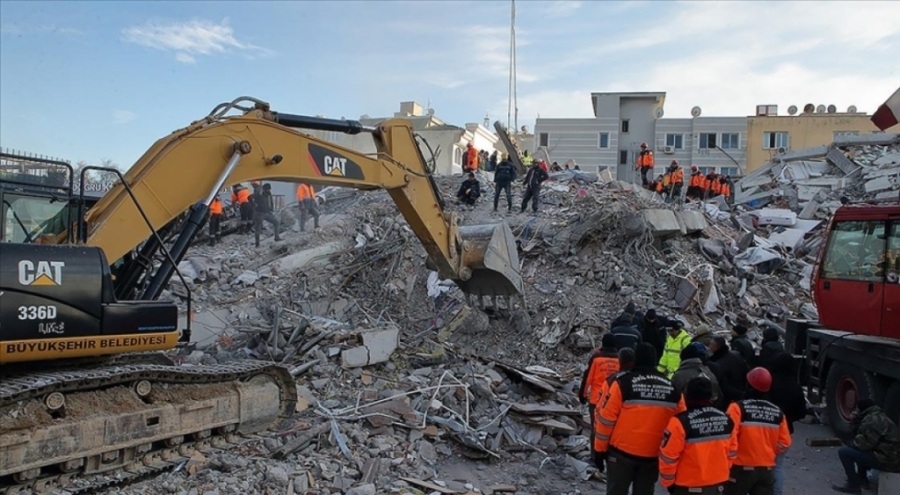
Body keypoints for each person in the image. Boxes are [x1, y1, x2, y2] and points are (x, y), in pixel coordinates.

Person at [594, 343, 685, 495]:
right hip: (652, 457)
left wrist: (599, 449)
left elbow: (606, 420)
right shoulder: (673, 388)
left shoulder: (623, 383)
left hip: (621, 454)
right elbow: (681, 426)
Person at [659, 376, 736, 495]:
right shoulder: (727, 420)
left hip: (688, 486)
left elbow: (668, 457)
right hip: (717, 485)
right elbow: (732, 453)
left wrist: (668, 483)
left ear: (687, 397)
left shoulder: (680, 422)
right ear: (711, 398)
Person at [725, 367, 792, 495]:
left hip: (741, 469)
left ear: (748, 385)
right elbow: (785, 443)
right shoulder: (777, 412)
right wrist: (765, 450)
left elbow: (728, 437)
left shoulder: (737, 408)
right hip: (766, 470)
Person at [832, 398, 900, 494]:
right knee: (860, 451)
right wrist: (855, 421)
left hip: (887, 461)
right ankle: (862, 479)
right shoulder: (878, 416)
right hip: (890, 457)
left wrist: (849, 443)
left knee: (844, 452)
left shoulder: (872, 420)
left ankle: (854, 485)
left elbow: (863, 444)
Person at [767, 352, 808, 495]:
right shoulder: (795, 387)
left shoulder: (769, 382)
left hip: (764, 431)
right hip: (785, 432)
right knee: (778, 467)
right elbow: (801, 413)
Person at [580, 333, 620, 444]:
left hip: (596, 399)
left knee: (596, 428)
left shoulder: (596, 358)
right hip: (613, 400)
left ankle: (594, 455)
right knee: (612, 429)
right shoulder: (619, 359)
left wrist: (582, 395)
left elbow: (588, 379)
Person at [709, 336, 749, 407]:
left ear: (716, 347)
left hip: (727, 397)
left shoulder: (718, 364)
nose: (709, 347)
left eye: (711, 344)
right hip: (740, 392)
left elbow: (722, 384)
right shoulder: (736, 355)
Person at [252, 183, 281, 247]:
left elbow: (270, 202)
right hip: (259, 213)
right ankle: (257, 244)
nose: (268, 191)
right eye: (267, 189)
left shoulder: (268, 193)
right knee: (258, 229)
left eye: (269, 189)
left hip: (266, 213)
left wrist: (271, 210)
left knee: (276, 222)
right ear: (264, 189)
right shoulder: (259, 192)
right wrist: (254, 205)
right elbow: (249, 197)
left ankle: (277, 237)